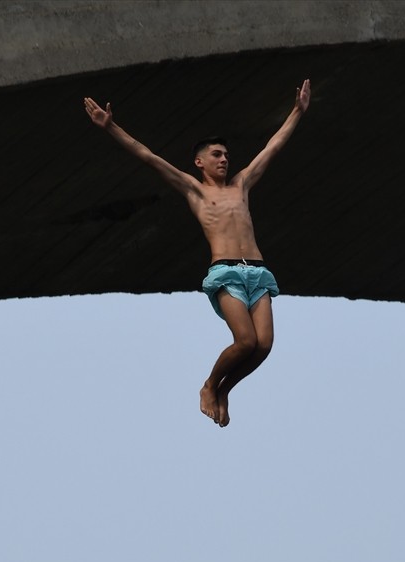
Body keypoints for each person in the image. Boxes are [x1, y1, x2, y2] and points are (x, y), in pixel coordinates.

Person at [83, 79, 311, 427]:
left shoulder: (242, 184)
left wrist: (297, 111)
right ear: (199, 162)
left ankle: (225, 390)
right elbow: (148, 156)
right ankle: (208, 385)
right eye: (217, 155)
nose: (224, 160)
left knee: (263, 346)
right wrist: (111, 127)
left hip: (259, 273)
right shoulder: (195, 190)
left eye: (226, 155)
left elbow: (273, 147)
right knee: (245, 340)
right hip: (227, 273)